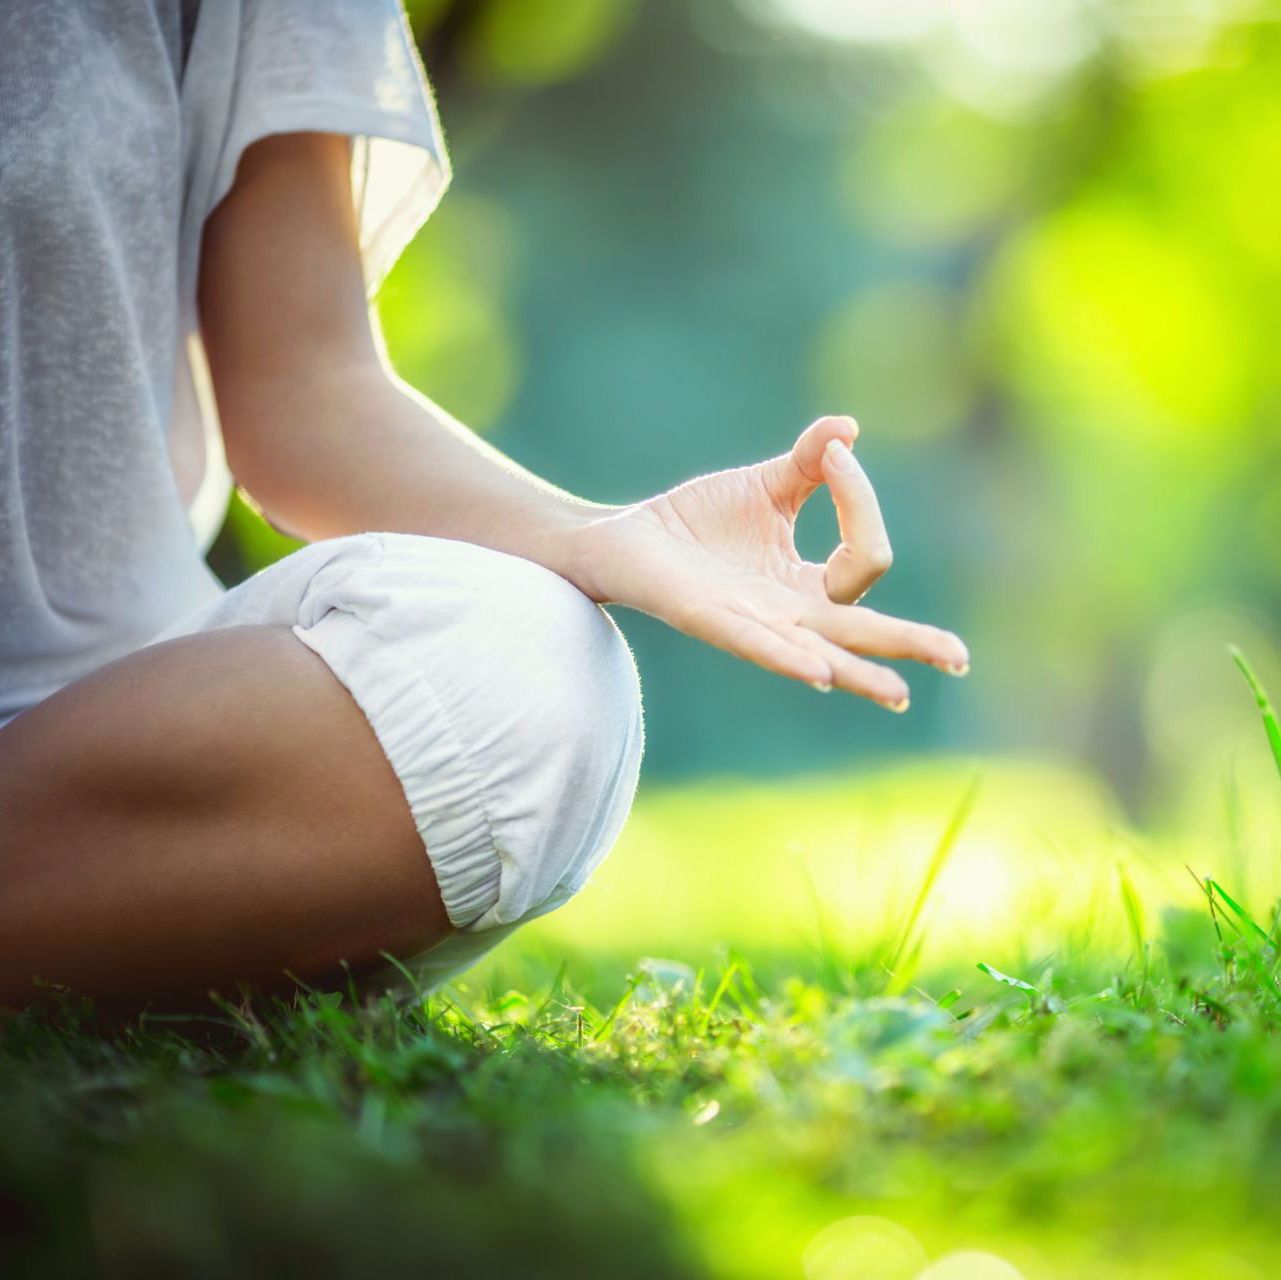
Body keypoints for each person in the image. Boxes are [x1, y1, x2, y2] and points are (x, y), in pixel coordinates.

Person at [0, 0, 968, 1011]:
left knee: (530, 672)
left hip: (91, 747)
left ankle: (95, 897)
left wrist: (600, 537)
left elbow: (304, 387)